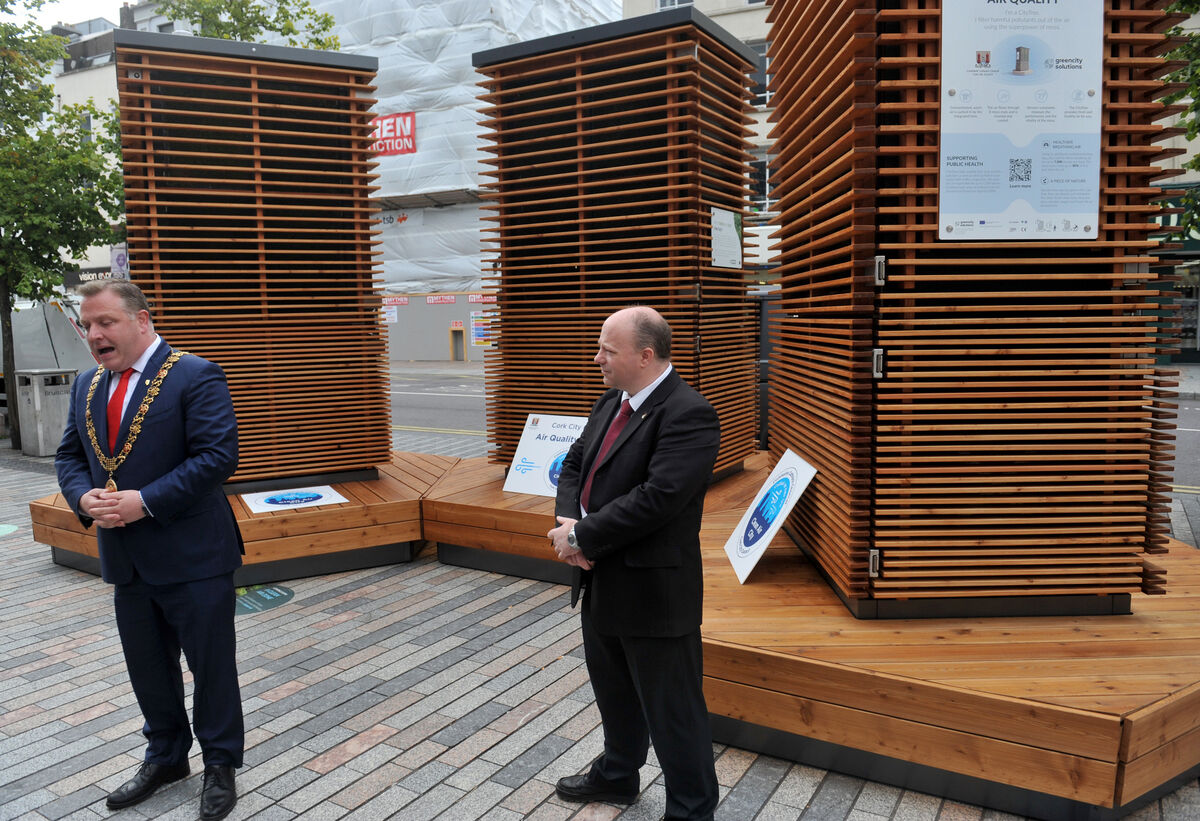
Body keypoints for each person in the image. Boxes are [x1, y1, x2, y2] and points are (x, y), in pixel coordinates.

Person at [55, 279, 244, 821]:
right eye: (87, 325)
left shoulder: (194, 374)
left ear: (141, 320)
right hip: (126, 557)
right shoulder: (87, 384)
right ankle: (165, 757)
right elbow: (69, 456)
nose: (94, 335)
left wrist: (147, 501)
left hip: (194, 556)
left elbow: (216, 456)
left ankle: (220, 764)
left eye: (105, 322)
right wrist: (81, 496)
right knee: (147, 668)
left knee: (211, 668)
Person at [547, 305, 721, 821]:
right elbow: (576, 462)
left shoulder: (689, 412)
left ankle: (691, 810)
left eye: (608, 350)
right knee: (615, 691)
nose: (597, 357)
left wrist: (581, 533)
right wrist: (568, 520)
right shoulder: (613, 399)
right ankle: (619, 774)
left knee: (674, 712)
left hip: (654, 594)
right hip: (600, 578)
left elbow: (659, 498)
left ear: (646, 356)